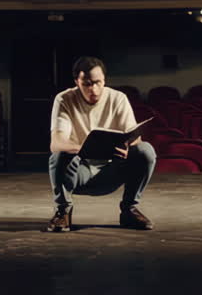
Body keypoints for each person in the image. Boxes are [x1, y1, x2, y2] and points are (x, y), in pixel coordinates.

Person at [44, 56, 157, 232]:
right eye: (87, 84)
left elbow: (135, 139)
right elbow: (56, 143)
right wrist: (87, 150)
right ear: (77, 82)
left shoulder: (118, 98)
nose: (93, 89)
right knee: (59, 156)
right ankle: (63, 211)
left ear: (104, 80)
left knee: (145, 150)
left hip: (113, 169)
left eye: (98, 83)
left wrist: (127, 148)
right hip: (79, 172)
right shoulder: (64, 99)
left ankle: (129, 209)